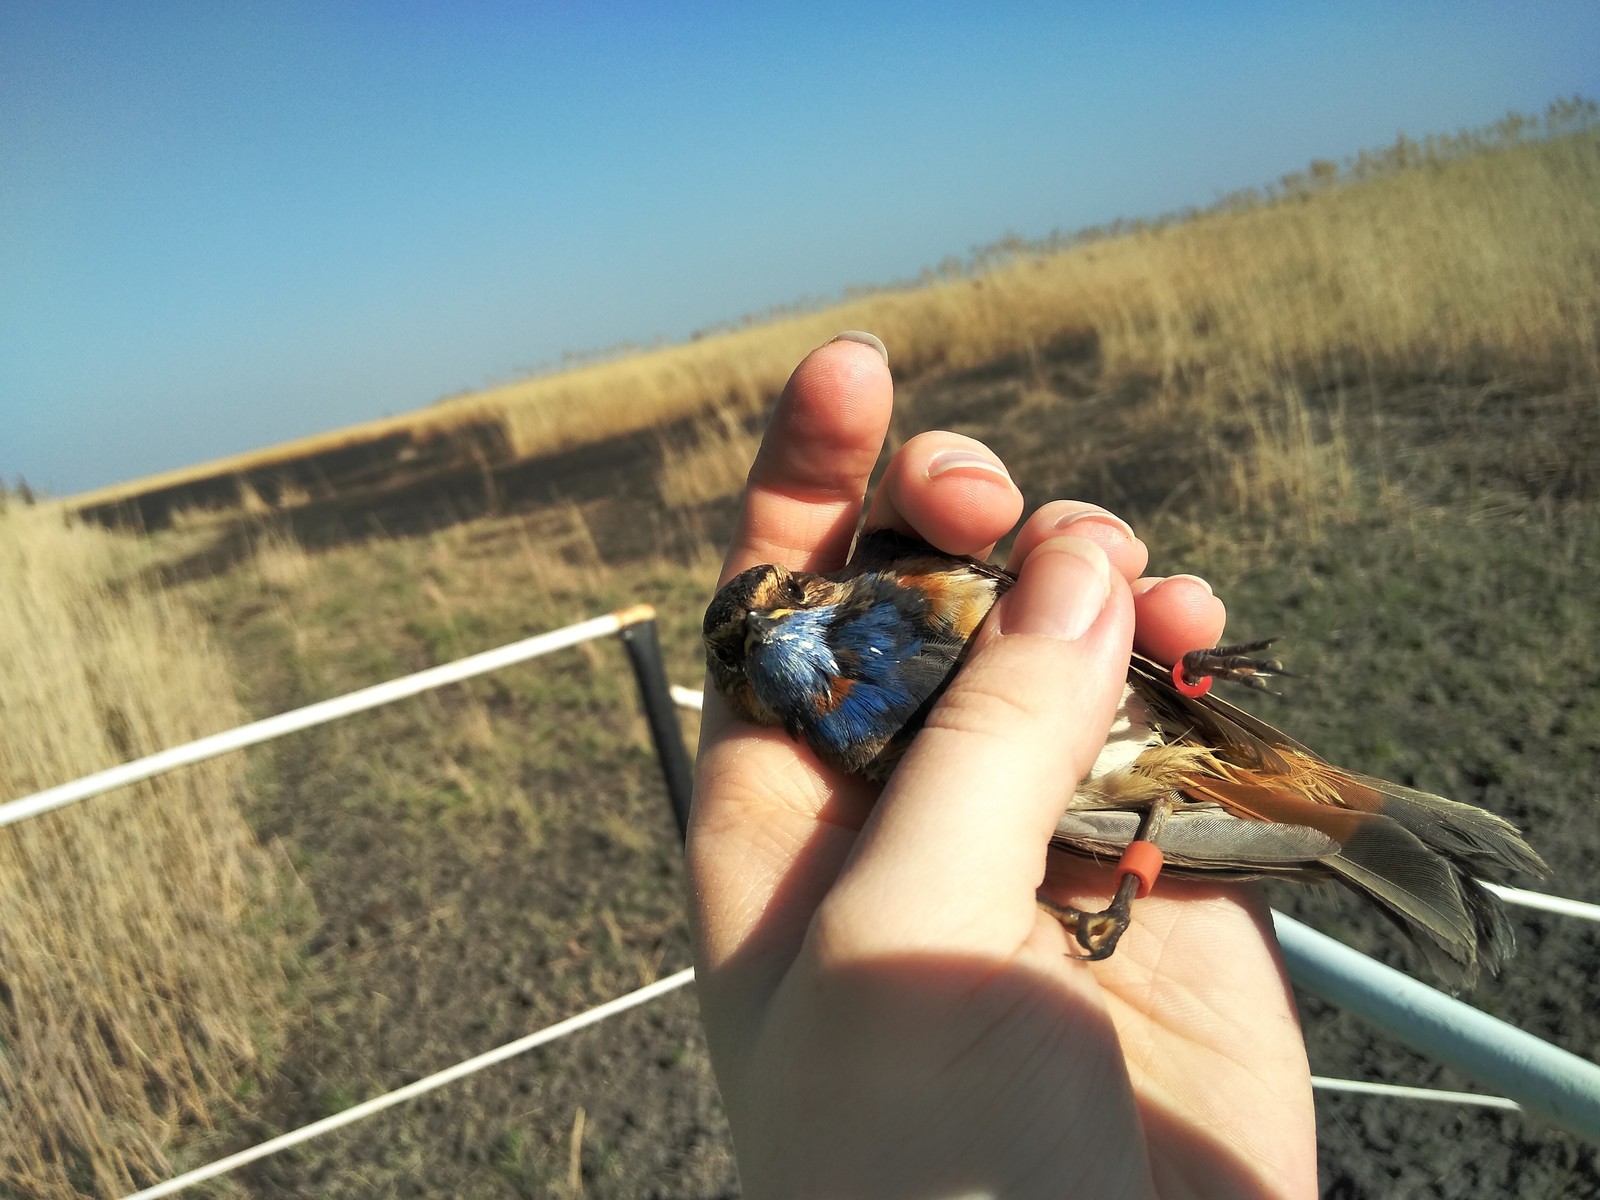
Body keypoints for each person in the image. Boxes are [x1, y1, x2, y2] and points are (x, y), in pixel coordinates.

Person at [687, 333, 1318, 1198]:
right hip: (1104, 792)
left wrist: (1160, 675)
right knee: (1219, 791)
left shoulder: (895, 579)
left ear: (812, 587)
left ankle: (1198, 695)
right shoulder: (845, 755)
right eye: (741, 653)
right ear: (746, 694)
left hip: (1115, 711)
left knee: (1110, 608)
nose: (769, 630)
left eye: (785, 597)